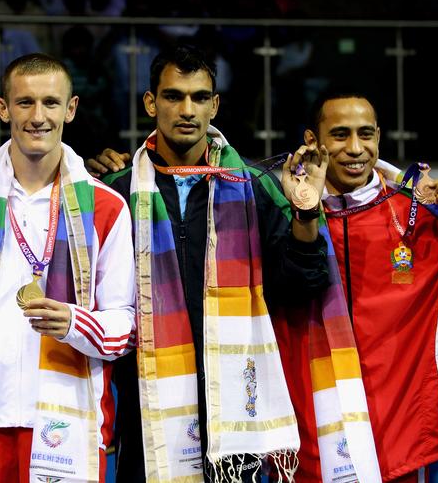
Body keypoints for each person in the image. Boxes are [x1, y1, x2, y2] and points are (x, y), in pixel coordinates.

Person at [97, 44, 331, 482]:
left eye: (200, 97)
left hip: (233, 409)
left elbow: (301, 285)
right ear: (151, 103)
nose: (187, 109)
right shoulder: (116, 192)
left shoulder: (254, 186)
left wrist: (304, 214)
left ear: (215, 105)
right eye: (173, 96)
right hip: (146, 405)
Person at [0, 53, 135, 483]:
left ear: (70, 109)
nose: (38, 117)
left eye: (51, 103)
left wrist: (73, 322)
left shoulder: (106, 208)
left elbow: (127, 327)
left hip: (64, 417)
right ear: (3, 108)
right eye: (25, 103)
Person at [274, 92, 438, 482]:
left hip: (398, 441)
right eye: (340, 135)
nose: (356, 149)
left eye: (366, 134)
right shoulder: (280, 214)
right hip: (310, 434)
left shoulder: (424, 217)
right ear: (312, 140)